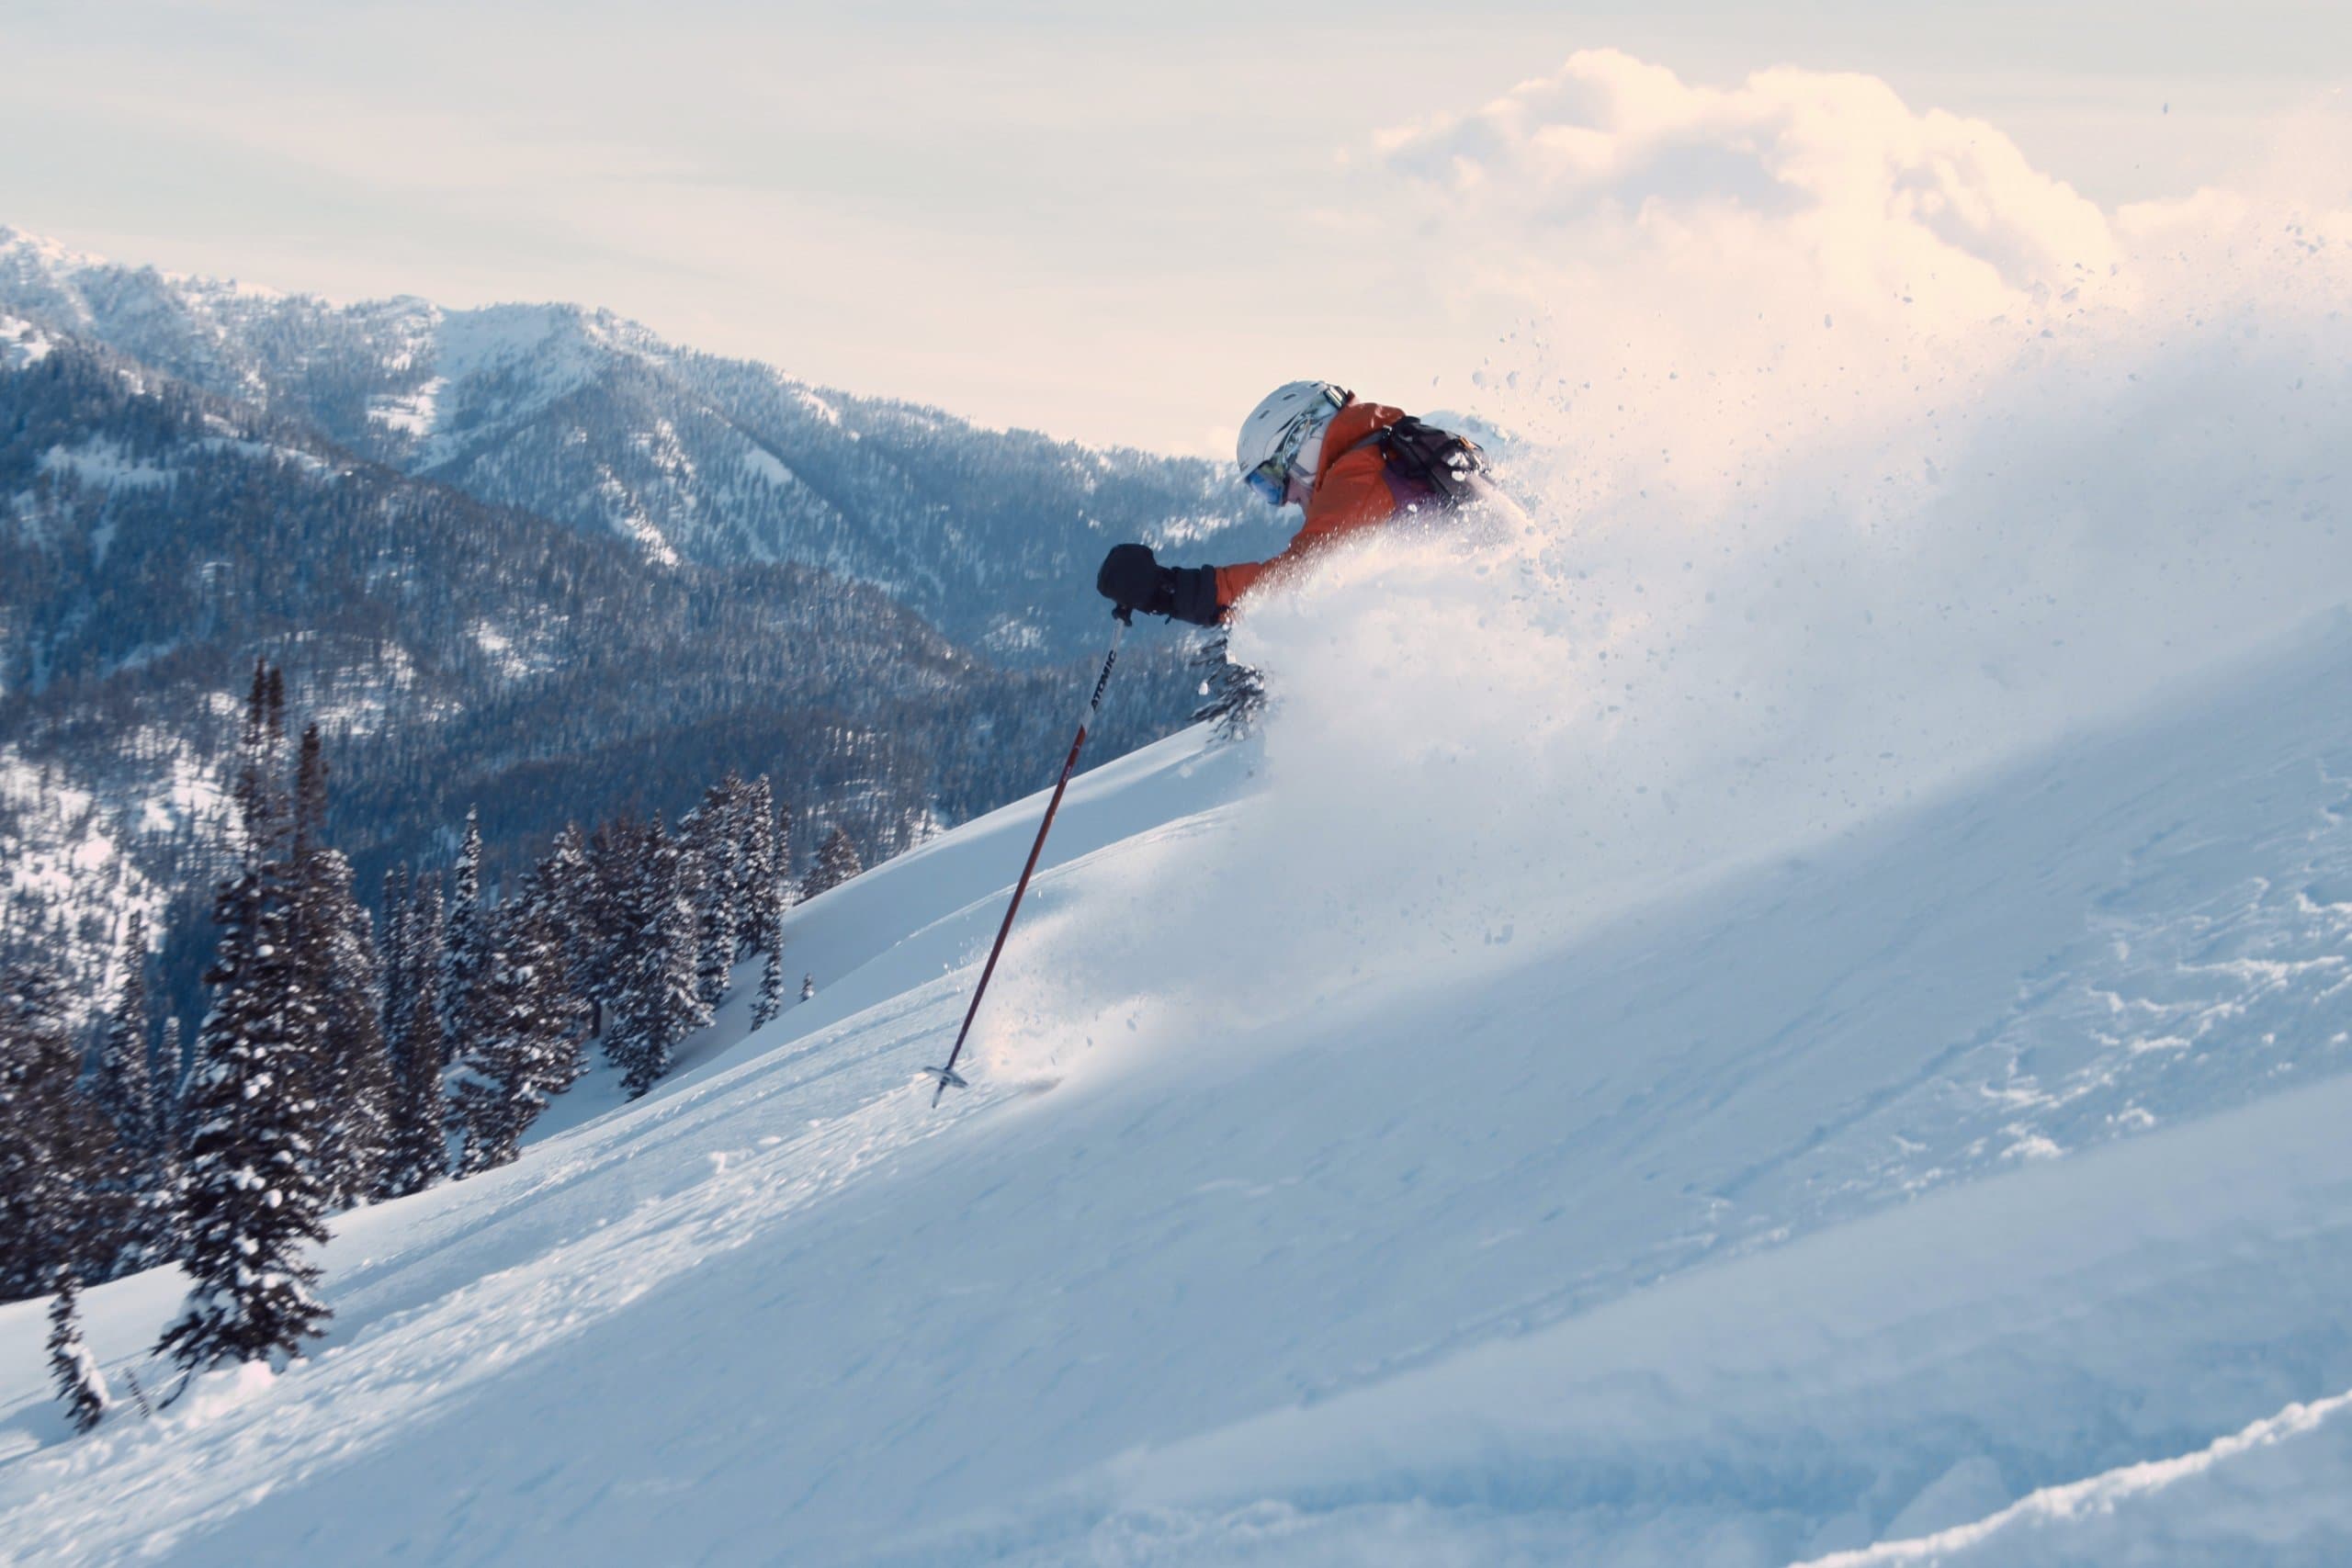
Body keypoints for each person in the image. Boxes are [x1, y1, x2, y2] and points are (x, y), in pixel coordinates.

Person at [1096, 381, 1490, 626]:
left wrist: (1168, 591)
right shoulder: (1385, 452)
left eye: (1271, 483)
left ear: (1301, 441)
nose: (1284, 499)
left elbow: (1294, 584)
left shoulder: (1359, 475)